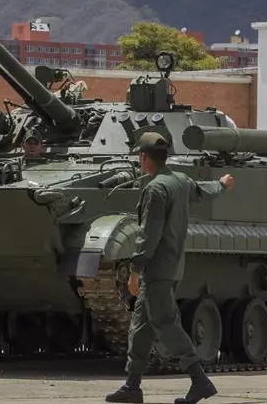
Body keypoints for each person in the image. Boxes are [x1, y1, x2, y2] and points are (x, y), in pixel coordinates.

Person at [105, 131, 235, 404]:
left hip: (157, 269)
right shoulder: (180, 180)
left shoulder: (155, 189)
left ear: (144, 158)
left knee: (164, 323)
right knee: (140, 328)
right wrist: (222, 185)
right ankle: (132, 386)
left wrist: (136, 268)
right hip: (172, 265)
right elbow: (203, 190)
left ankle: (199, 380)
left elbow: (149, 234)